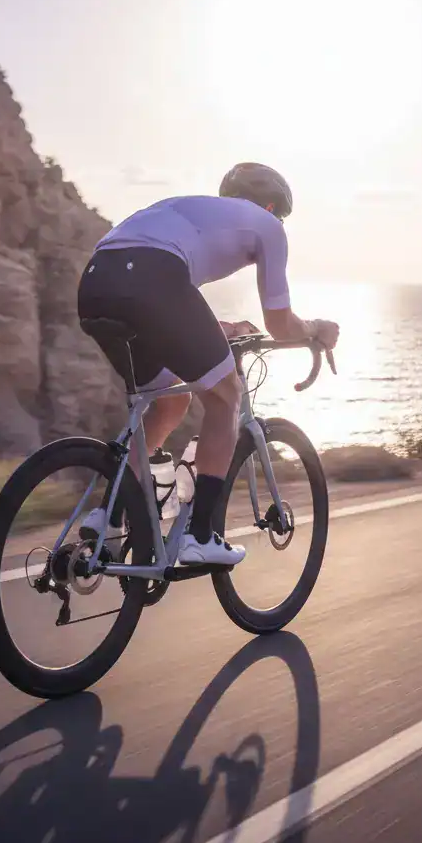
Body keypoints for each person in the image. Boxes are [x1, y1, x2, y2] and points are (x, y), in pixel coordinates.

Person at [76, 162, 340, 566]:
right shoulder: (267, 226)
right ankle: (201, 536)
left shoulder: (189, 211)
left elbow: (166, 307)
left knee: (169, 401)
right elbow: (280, 323)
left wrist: (222, 328)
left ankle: (108, 516)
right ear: (273, 208)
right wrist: (316, 329)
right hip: (151, 279)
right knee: (226, 397)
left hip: (96, 283)